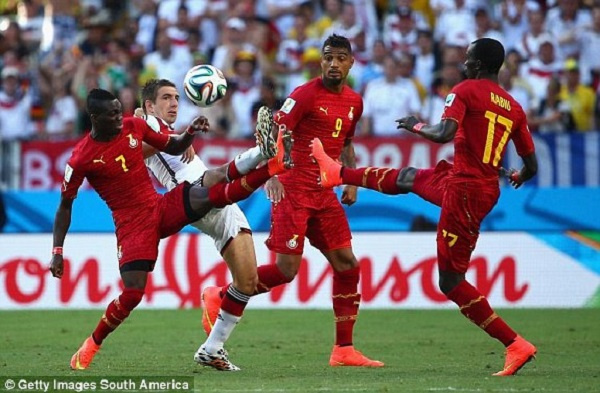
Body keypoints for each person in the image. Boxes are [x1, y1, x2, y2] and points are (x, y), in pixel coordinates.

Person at [311, 38, 538, 376]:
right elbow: (531, 165)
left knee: (450, 281)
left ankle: (515, 344)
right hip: (476, 185)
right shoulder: (514, 106)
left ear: (477, 65)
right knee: (407, 177)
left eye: (467, 59)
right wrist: (518, 175)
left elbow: (444, 132)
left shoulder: (465, 90)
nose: (463, 63)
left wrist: (416, 124)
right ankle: (338, 173)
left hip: (464, 192)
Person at [49, 88, 292, 372]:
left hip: (160, 207)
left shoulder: (132, 126)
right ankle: (92, 343)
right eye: (112, 114)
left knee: (213, 194)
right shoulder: (80, 159)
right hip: (132, 226)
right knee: (133, 294)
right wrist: (57, 251)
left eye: (119, 111)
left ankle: (270, 167)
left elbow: (174, 146)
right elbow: (65, 206)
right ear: (94, 117)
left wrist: (190, 131)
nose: (119, 117)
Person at [203, 34, 383, 368]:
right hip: (292, 189)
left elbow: (346, 141)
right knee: (286, 270)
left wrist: (351, 178)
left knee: (348, 264)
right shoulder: (304, 95)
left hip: (324, 192)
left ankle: (343, 349)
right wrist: (270, 175)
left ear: (351, 63)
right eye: (328, 57)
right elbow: (272, 136)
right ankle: (221, 296)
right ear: (321, 61)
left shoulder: (355, 101)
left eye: (340, 58)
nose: (333, 63)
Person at [139, 78, 277, 369]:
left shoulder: (166, 131)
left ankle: (212, 348)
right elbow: (136, 146)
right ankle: (262, 153)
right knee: (216, 178)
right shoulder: (146, 128)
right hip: (190, 195)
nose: (174, 103)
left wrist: (179, 139)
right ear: (150, 105)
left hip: (219, 210)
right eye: (166, 98)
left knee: (247, 283)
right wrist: (176, 141)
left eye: (176, 97)